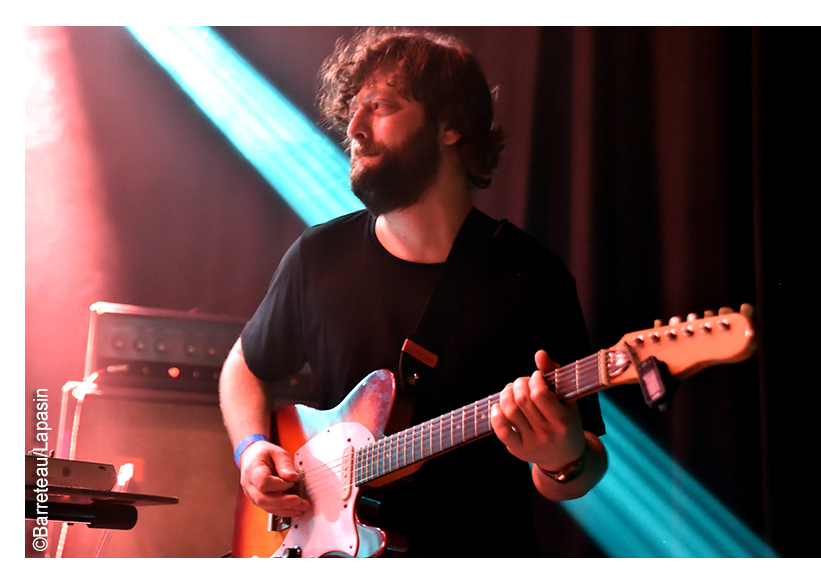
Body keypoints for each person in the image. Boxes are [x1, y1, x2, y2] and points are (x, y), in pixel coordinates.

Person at [219, 27, 608, 558]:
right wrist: (251, 449)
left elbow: (580, 468)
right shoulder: (318, 257)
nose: (353, 128)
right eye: (353, 109)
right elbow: (245, 363)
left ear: (451, 125)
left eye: (379, 106)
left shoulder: (532, 278)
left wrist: (561, 457)